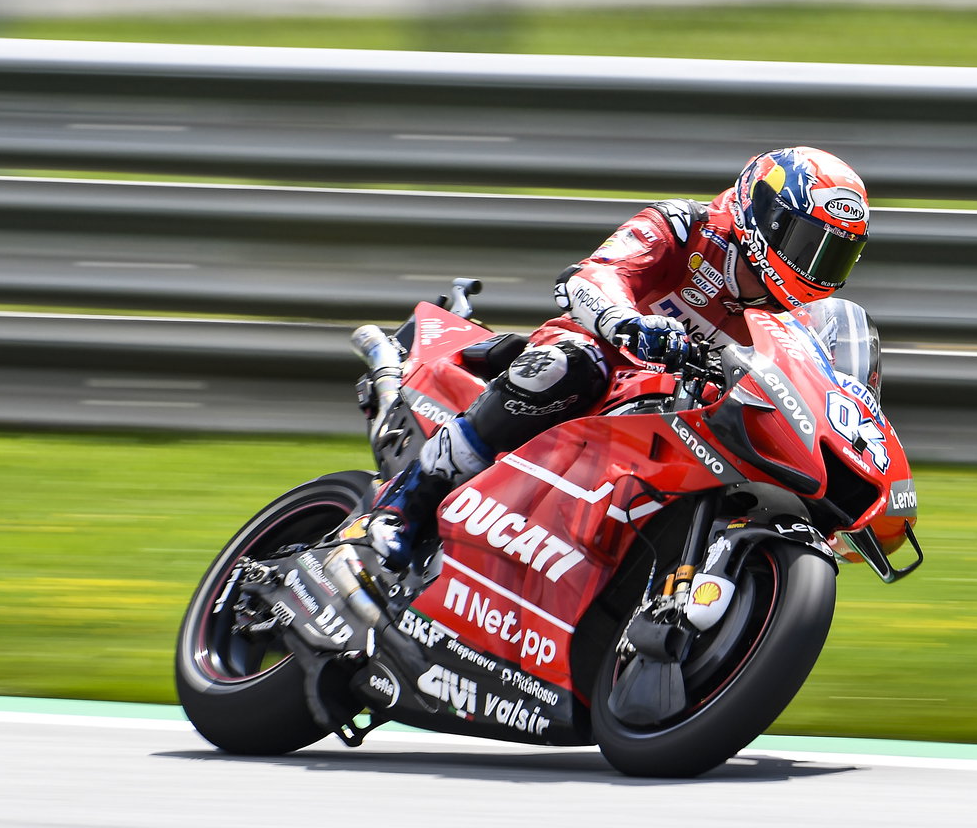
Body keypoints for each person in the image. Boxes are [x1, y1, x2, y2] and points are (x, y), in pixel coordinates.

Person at [341, 146, 872, 572]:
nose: (818, 267)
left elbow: (815, 387)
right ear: (766, 215)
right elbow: (591, 277)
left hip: (689, 415)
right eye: (811, 244)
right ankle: (403, 508)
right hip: (603, 361)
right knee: (565, 367)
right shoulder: (685, 226)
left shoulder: (801, 318)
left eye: (835, 255)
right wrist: (628, 323)